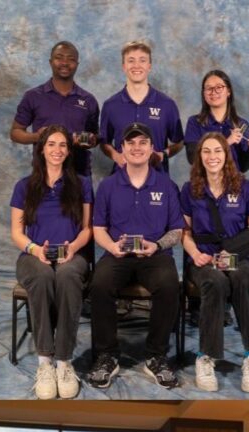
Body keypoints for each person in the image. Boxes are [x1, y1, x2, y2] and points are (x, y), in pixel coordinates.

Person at [88, 122, 185, 389]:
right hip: (117, 254)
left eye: (143, 142)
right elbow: (98, 228)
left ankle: (156, 356)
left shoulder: (166, 185)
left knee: (168, 285)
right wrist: (112, 247)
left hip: (154, 254)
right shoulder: (108, 185)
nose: (137, 147)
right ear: (123, 148)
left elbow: (177, 230)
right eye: (131, 143)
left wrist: (157, 245)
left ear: (152, 148)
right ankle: (107, 355)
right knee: (99, 284)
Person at [10, 124, 93, 399]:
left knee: (68, 277)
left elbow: (87, 229)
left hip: (72, 253)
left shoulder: (82, 184)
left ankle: (64, 362)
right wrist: (35, 250)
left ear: (69, 151)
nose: (57, 150)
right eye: (51, 144)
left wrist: (73, 247)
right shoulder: (24, 186)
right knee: (44, 276)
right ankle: (45, 362)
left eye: (62, 145)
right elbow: (16, 233)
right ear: (41, 149)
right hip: (33, 256)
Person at [182, 131, 249, 394]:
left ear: (226, 154)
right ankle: (205, 356)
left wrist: (231, 253)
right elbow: (184, 232)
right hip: (202, 257)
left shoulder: (245, 187)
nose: (212, 156)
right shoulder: (190, 189)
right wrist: (195, 253)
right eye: (206, 151)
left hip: (236, 256)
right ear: (200, 157)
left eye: (217, 150)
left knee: (244, 278)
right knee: (215, 282)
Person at [11, 40, 100, 177]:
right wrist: (37, 137)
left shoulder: (88, 100)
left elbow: (94, 137)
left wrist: (87, 140)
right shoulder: (33, 96)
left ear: (76, 64)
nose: (65, 63)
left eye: (71, 59)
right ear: (50, 61)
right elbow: (16, 132)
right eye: (59, 58)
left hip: (79, 174)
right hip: (43, 175)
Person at [99, 41, 183, 174]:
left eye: (142, 60)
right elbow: (104, 142)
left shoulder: (167, 104)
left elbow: (179, 142)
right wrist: (116, 156)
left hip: (157, 182)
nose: (136, 65)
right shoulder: (110, 105)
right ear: (124, 66)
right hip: (121, 181)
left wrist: (163, 155)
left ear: (149, 66)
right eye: (131, 60)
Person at [185, 70, 249, 174]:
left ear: (228, 91)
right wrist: (227, 142)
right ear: (204, 93)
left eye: (219, 87)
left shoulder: (241, 125)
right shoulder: (195, 122)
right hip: (204, 184)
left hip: (233, 185)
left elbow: (243, 167)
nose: (213, 92)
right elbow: (192, 158)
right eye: (209, 88)